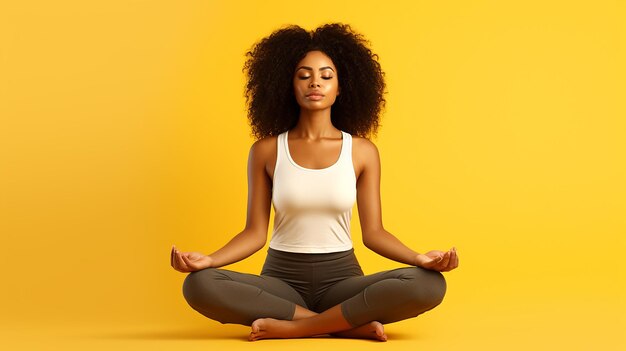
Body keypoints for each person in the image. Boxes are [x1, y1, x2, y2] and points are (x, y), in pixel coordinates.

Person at [170, 23, 459, 342]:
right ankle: (343, 326)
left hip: (343, 283)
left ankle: (297, 328)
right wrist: (210, 260)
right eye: (303, 75)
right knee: (198, 284)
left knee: (429, 283)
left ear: (341, 87)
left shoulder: (361, 152)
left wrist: (419, 258)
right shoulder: (266, 151)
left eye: (326, 75)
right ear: (288, 85)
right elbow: (254, 234)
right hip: (280, 284)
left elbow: (374, 233)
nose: (315, 83)